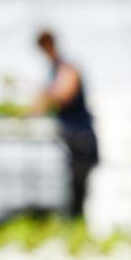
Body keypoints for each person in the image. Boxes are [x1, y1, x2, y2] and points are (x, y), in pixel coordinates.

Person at [27, 29, 98, 219]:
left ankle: (79, 225)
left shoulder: (67, 69)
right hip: (72, 138)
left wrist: (43, 97)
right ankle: (76, 223)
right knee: (74, 188)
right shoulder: (54, 70)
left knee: (81, 189)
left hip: (81, 137)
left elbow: (62, 95)